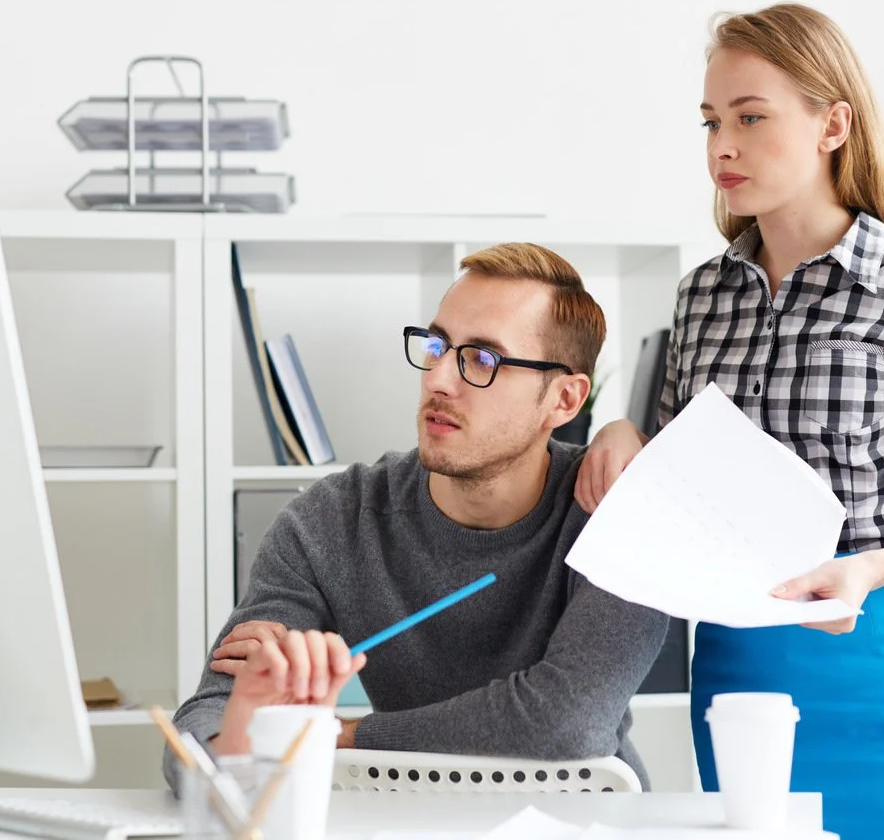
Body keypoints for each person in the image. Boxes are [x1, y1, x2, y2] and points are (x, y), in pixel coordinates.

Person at [574, 2, 884, 840]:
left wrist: (868, 569)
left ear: (833, 124)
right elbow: (682, 471)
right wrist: (619, 430)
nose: (722, 145)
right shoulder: (704, 295)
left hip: (877, 646)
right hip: (736, 660)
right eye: (712, 120)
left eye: (751, 117)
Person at [164, 242, 669, 792]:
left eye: (482, 359)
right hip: (405, 817)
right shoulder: (330, 521)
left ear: (564, 401)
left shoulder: (618, 513)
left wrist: (342, 737)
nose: (438, 380)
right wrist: (244, 730)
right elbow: (198, 734)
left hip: (588, 818)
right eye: (437, 345)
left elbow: (569, 724)